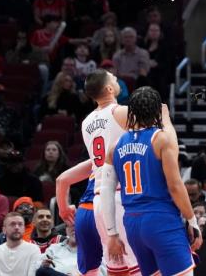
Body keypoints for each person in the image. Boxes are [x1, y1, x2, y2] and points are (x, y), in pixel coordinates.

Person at [100, 87, 201, 276]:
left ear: (131, 112)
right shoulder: (161, 139)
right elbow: (175, 186)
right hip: (161, 219)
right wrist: (192, 220)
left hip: (132, 224)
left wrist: (112, 232)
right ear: (157, 111)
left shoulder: (115, 146)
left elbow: (105, 192)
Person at [78, 69, 140, 276]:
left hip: (99, 198)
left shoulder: (86, 122)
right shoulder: (121, 111)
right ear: (110, 88)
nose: (117, 78)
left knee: (116, 267)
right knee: (137, 265)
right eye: (114, 78)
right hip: (121, 194)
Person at [55, 160, 103, 276]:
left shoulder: (96, 154)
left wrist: (63, 209)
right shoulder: (127, 147)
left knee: (88, 271)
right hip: (110, 207)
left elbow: (61, 180)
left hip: (85, 212)